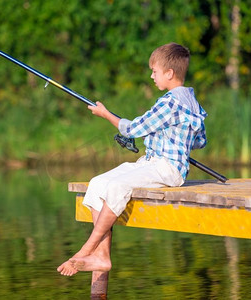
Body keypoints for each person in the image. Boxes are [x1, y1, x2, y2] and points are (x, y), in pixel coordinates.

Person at [57, 42, 207, 276]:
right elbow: (200, 141)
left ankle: (87, 249)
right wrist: (172, 137)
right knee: (97, 183)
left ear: (169, 73)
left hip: (167, 168)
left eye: (154, 71)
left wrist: (105, 114)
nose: (151, 76)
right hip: (153, 163)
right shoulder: (192, 102)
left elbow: (134, 128)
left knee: (117, 186)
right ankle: (102, 257)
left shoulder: (170, 102)